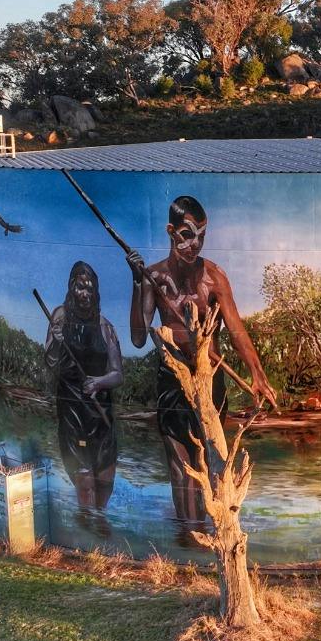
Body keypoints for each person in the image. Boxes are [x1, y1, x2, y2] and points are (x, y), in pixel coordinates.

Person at [127, 195, 277, 546]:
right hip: (171, 378)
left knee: (210, 458)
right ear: (170, 231)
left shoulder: (214, 277)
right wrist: (137, 283)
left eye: (200, 236)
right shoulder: (155, 277)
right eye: (185, 234)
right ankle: (188, 540)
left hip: (211, 380)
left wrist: (258, 375)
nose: (193, 243)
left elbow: (237, 329)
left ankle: (218, 534)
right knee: (179, 463)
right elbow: (137, 336)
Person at [44, 261, 123, 533]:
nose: (85, 293)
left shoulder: (105, 326)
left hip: (100, 410)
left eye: (90, 287)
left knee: (105, 477)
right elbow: (51, 363)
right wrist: (55, 339)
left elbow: (117, 374)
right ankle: (87, 524)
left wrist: (98, 382)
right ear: (72, 287)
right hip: (72, 408)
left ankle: (98, 520)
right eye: (80, 286)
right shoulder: (60, 317)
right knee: (84, 475)